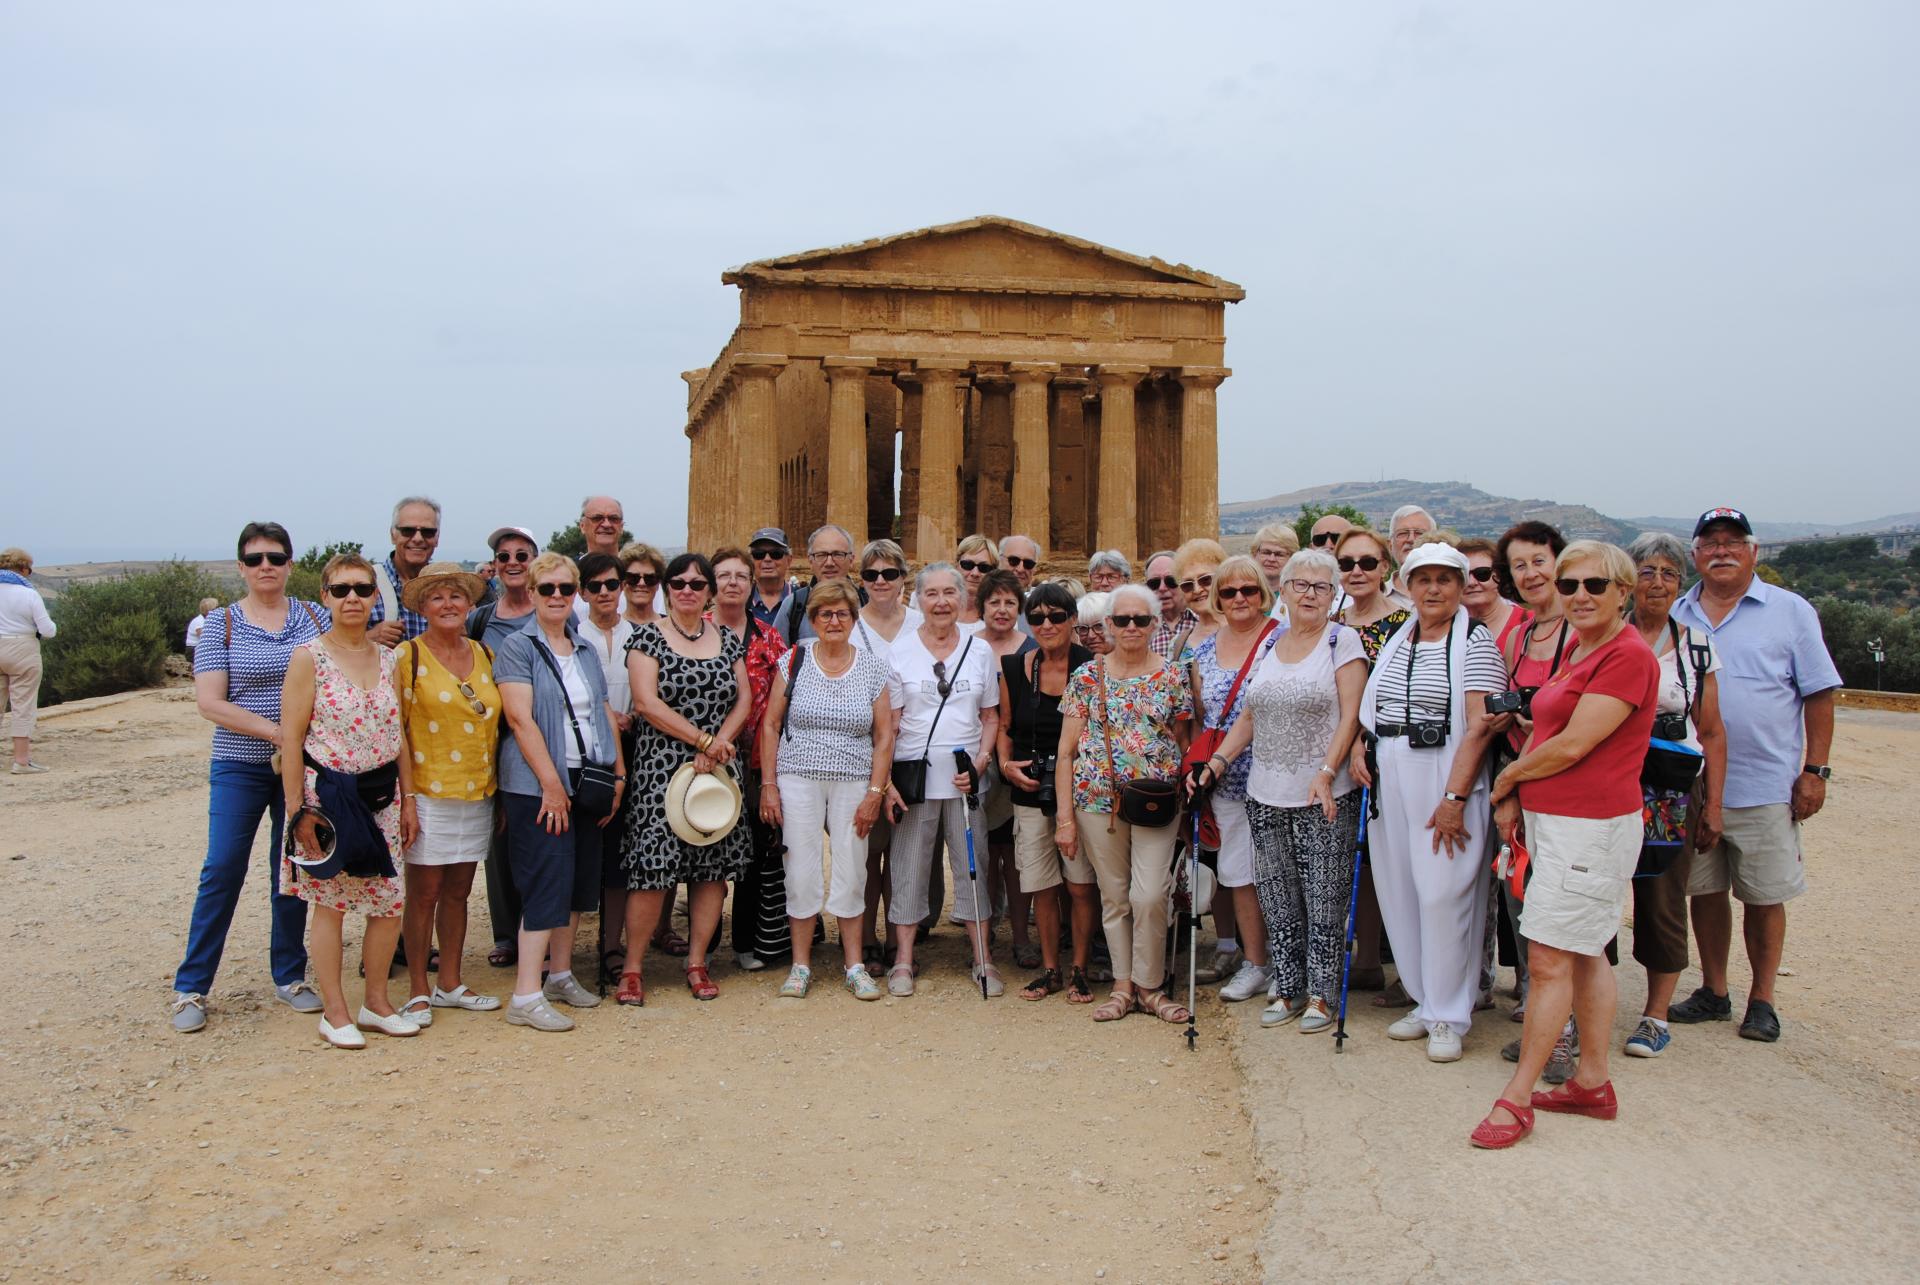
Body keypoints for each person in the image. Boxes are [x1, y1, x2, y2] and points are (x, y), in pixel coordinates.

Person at [1474, 542, 1659, 1148]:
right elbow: (1546, 732)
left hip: (1591, 827)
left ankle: (1517, 1097)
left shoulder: (1626, 657)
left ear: (1623, 593)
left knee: (1551, 958)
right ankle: (1592, 1081)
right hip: (1561, 822)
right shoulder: (1583, 647)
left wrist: (1506, 779)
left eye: (1596, 586)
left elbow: (1575, 744)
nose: (1580, 594)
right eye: (1571, 582)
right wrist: (1519, 796)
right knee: (1585, 954)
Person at [1671, 506, 1841, 1043]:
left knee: (1765, 895)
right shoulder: (1678, 612)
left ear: (1753, 552)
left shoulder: (1791, 611)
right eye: (1711, 542)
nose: (1722, 551)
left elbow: (1818, 693)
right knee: (1706, 891)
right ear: (1695, 554)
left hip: (1765, 783)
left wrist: (1814, 770)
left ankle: (1763, 999)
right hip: (1694, 784)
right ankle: (1714, 991)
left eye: (1733, 542)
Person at [1193, 548, 1366, 1032]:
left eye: (1321, 587)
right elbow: (1249, 714)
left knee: (1324, 897)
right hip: (1264, 790)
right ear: (1284, 590)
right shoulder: (1271, 645)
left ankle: (1321, 995)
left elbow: (1351, 714)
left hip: (1321, 793)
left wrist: (1329, 770)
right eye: (1301, 585)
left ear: (1333, 596)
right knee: (1276, 896)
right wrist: (1219, 760)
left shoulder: (1341, 641)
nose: (1309, 594)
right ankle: (1287, 988)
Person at [169, 522, 330, 1034]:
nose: (267, 566)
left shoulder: (314, 615)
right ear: (241, 565)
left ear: (289, 564)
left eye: (276, 557)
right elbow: (210, 702)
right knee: (222, 868)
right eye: (256, 557)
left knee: (292, 868)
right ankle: (191, 986)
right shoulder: (221, 625)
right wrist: (282, 733)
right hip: (240, 763)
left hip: (303, 768)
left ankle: (290, 975)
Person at [1354, 542, 1503, 1064]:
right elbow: (1373, 707)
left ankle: (1449, 1013)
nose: (1433, 589)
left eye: (1445, 579)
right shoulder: (1399, 637)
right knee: (1401, 888)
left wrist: (1455, 798)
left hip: (1444, 770)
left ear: (1461, 586)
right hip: (1391, 768)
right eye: (1423, 579)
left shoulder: (1476, 642)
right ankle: (1424, 998)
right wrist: (1358, 749)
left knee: (1444, 892)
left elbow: (1481, 727)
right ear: (1409, 585)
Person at [279, 553, 417, 1046]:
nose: (353, 598)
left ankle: (376, 1002)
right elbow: (291, 739)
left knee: (387, 904)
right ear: (326, 597)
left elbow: (398, 733)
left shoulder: (389, 660)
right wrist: (298, 812)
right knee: (331, 904)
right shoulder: (308, 657)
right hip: (328, 800)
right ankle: (334, 1011)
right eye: (342, 590)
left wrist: (410, 800)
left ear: (375, 596)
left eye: (362, 589)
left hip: (382, 797)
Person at [495, 553, 626, 1031]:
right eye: (546, 588)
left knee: (576, 886)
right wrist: (551, 785)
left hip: (586, 780)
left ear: (577, 596)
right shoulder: (518, 647)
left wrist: (617, 775)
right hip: (538, 786)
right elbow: (519, 719)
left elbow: (603, 713)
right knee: (546, 884)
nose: (556, 597)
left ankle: (561, 975)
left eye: (565, 589)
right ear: (530, 593)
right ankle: (525, 994)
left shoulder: (584, 649)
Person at [1056, 583, 1195, 1024]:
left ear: (1155, 624)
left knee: (1151, 893)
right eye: (1121, 619)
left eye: (1141, 619)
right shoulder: (1087, 677)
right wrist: (1064, 819)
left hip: (1156, 801)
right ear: (1109, 624)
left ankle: (1150, 986)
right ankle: (1122, 986)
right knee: (1114, 895)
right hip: (1096, 801)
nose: (1130, 627)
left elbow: (1185, 740)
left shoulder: (1173, 675)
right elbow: (1066, 752)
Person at [618, 553, 754, 1004]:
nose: (688, 590)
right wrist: (702, 741)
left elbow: (744, 699)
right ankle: (633, 968)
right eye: (679, 583)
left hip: (717, 767)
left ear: (708, 590)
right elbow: (646, 703)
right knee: (654, 870)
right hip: (663, 765)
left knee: (711, 870)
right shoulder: (647, 637)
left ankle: (697, 961)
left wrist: (719, 744)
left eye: (697, 583)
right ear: (666, 588)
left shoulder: (727, 638)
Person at [758, 580, 894, 1000]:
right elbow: (771, 724)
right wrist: (768, 786)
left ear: (854, 619)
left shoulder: (872, 667)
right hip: (797, 775)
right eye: (825, 614)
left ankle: (853, 964)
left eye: (842, 614)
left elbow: (885, 735)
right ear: (813, 619)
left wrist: (876, 790)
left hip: (854, 779)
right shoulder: (793, 660)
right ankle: (801, 965)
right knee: (800, 868)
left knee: (852, 866)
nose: (833, 621)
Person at [1620, 531, 1727, 1057]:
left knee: (1662, 897)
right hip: (1610, 781)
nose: (1656, 583)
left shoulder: (1697, 646)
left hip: (1670, 788)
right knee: (1592, 887)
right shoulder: (1602, 635)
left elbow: (1712, 731)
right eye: (1646, 571)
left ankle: (1655, 1015)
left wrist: (1714, 805)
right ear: (1628, 580)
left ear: (1680, 583)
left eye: (1667, 573)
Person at [882, 562, 1003, 997]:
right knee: (909, 865)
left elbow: (989, 716)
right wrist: (887, 782)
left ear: (962, 599)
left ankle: (982, 957)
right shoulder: (899, 652)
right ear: (917, 600)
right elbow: (889, 725)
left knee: (974, 865)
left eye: (949, 593)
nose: (941, 602)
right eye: (931, 594)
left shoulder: (980, 650)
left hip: (965, 778)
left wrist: (983, 761)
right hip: (914, 774)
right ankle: (902, 959)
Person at [391, 561, 503, 1026]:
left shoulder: (483, 653)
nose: (448, 604)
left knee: (459, 891)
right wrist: (408, 799)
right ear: (422, 606)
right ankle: (418, 988)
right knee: (424, 893)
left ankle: (450, 983)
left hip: (476, 791)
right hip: (428, 791)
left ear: (469, 603)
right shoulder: (406, 656)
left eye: (456, 595)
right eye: (436, 597)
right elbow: (395, 730)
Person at [1186, 555, 1284, 1000]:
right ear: (1217, 599)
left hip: (1279, 773)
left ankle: (1288, 961)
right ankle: (1256, 963)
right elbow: (1195, 715)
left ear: (1264, 593)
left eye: (1248, 590)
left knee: (1283, 873)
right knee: (1237, 872)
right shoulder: (1202, 650)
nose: (1239, 598)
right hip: (1223, 780)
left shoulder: (1282, 641)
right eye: (1229, 592)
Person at [998, 581, 1098, 1002]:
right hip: (1030, 789)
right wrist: (1006, 766)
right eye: (1037, 617)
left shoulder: (1092, 667)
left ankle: (1080, 968)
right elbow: (1004, 727)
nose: (1047, 624)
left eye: (1057, 616)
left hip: (1078, 791)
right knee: (1041, 885)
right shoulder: (1015, 667)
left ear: (1073, 620)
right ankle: (1051, 968)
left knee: (1079, 885)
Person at [1494, 520, 1568, 1027]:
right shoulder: (1519, 636)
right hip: (1518, 775)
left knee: (1566, 909)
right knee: (1520, 895)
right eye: (1519, 565)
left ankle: (1569, 1022)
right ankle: (1542, 1013)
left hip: (1564, 783)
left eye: (1539, 560)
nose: (1530, 572)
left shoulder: (1585, 631)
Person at [711, 546, 791, 972]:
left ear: (751, 583)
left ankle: (747, 940)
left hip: (757, 759)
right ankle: (703, 946)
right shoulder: (694, 632)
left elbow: (781, 707)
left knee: (754, 851)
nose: (733, 583)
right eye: (724, 575)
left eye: (741, 576)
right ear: (713, 582)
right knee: (705, 846)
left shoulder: (768, 637)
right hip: (705, 757)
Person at [470, 526, 541, 970]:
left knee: (540, 838)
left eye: (521, 554)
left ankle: (537, 928)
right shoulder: (482, 620)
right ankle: (506, 934)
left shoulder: (555, 609)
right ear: (494, 565)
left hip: (542, 739)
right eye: (504, 555)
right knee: (500, 842)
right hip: (496, 742)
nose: (512, 562)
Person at [1460, 536, 1525, 1008]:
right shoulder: (1452, 627)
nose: (1473, 583)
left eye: (1483, 573)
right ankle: (1476, 977)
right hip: (1468, 762)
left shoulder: (1522, 626)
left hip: (1516, 760)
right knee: (1473, 878)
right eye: (1462, 575)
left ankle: (1528, 978)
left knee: (1518, 877)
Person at [850, 538, 920, 968]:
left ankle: (898, 936)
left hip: (911, 749)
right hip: (864, 751)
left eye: (889, 574)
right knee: (868, 851)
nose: (881, 581)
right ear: (862, 580)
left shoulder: (919, 623)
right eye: (872, 574)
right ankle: (867, 937)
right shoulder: (849, 623)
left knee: (902, 853)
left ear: (902, 578)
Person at [976, 568, 1038, 966]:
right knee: (982, 853)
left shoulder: (1032, 647)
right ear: (981, 606)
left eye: (1009, 603)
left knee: (1016, 858)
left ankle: (1020, 936)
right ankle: (983, 939)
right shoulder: (968, 646)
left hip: (1019, 761)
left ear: (1020, 608)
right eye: (993, 602)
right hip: (978, 761)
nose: (1001, 610)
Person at [0, 548, 56, 774]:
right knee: (23, 704)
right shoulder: (29, 594)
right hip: (22, 648)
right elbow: (48, 630)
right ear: (23, 568)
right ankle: (21, 761)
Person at [368, 496, 442, 646]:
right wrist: (367, 639)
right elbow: (327, 647)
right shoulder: (363, 584)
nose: (418, 538)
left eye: (427, 532)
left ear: (437, 538)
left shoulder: (446, 588)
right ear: (393, 535)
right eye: (408, 531)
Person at [789, 524, 861, 644]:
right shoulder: (794, 604)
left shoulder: (867, 602)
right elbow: (776, 657)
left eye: (838, 554)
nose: (829, 563)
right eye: (821, 555)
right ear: (810, 561)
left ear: (852, 560)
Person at [1169, 538, 1226, 656]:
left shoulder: (1246, 631)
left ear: (1223, 578)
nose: (1197, 590)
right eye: (1187, 585)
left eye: (1205, 580)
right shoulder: (1178, 645)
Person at [1143, 550, 1192, 658]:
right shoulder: (1139, 626)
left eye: (1171, 581)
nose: (1162, 588)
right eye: (1154, 583)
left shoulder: (1203, 621)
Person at [747, 527, 796, 633]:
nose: (767, 559)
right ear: (750, 562)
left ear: (789, 560)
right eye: (759, 554)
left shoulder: (802, 600)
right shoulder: (741, 601)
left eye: (776, 553)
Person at [1250, 524, 1301, 624]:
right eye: (1266, 552)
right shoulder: (1241, 593)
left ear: (1292, 559)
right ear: (1254, 554)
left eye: (1279, 554)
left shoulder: (1299, 597)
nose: (1271, 559)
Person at [953, 534, 1001, 633]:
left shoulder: (1002, 616)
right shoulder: (928, 603)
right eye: (967, 565)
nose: (975, 573)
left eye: (984, 568)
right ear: (957, 565)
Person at [1389, 505, 1436, 597]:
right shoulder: (1375, 597)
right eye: (1403, 533)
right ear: (1390, 546)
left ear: (1434, 543)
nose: (1411, 539)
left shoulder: (1452, 596)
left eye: (1419, 533)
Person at [183, 595, 220, 673]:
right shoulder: (199, 621)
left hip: (200, 649)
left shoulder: (207, 620)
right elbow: (205, 637)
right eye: (215, 608)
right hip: (194, 650)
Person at [1075, 591, 1114, 657]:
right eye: (1083, 628)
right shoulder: (1076, 665)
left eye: (1099, 626)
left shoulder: (1134, 664)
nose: (1091, 636)